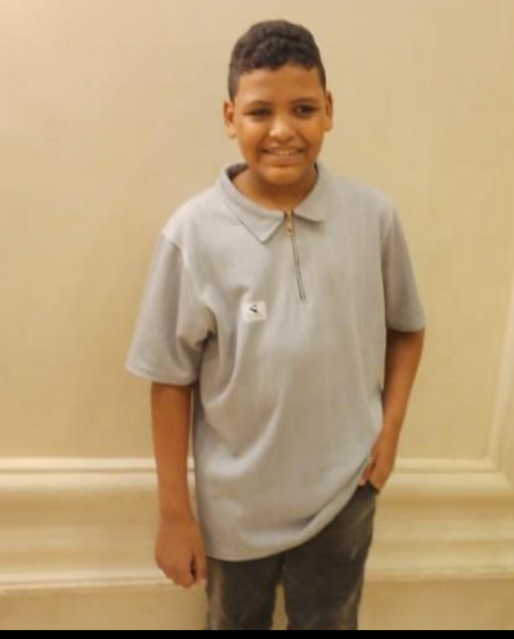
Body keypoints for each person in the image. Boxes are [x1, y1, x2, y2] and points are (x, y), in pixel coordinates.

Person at [125, 19, 426, 630]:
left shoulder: (372, 217)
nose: (283, 130)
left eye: (303, 109)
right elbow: (169, 379)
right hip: (236, 510)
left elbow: (408, 327)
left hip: (345, 495)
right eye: (261, 112)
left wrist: (389, 433)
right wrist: (174, 513)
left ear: (329, 110)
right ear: (230, 117)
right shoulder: (192, 235)